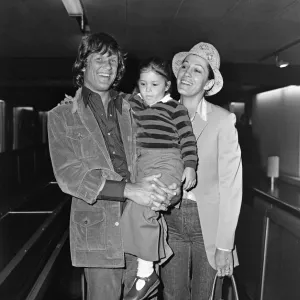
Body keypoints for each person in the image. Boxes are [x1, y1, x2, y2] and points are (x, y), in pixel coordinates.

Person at [47, 32, 179, 300]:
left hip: (140, 223)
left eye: (113, 61)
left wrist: (169, 188)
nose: (108, 67)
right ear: (83, 64)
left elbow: (161, 146)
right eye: (100, 59)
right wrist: (129, 190)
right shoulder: (61, 115)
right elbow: (69, 176)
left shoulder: (134, 107)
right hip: (97, 231)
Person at [160, 42, 243, 300]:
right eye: (185, 66)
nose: (187, 73)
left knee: (206, 296)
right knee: (173, 294)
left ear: (208, 83)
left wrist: (224, 245)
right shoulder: (160, 114)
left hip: (207, 223)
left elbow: (231, 186)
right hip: (169, 217)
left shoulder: (222, 120)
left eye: (197, 70)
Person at [121, 57, 197, 300]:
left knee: (148, 206)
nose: (148, 90)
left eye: (154, 85)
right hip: (142, 162)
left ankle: (146, 274)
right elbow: (111, 99)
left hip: (168, 160)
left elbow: (187, 140)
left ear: (167, 86)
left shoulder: (175, 108)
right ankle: (152, 260)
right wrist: (75, 99)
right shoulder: (135, 103)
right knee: (134, 211)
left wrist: (190, 166)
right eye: (143, 84)